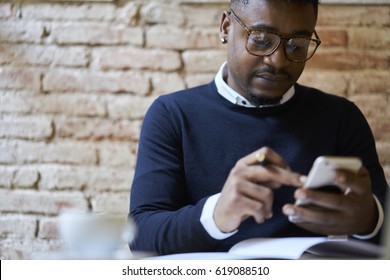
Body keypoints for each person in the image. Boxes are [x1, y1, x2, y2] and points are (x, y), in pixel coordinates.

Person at [129, 0, 388, 256]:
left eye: (296, 45)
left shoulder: (341, 117)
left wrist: (370, 220)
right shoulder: (172, 115)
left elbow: (382, 228)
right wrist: (217, 215)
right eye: (261, 40)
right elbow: (141, 236)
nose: (277, 60)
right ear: (226, 27)